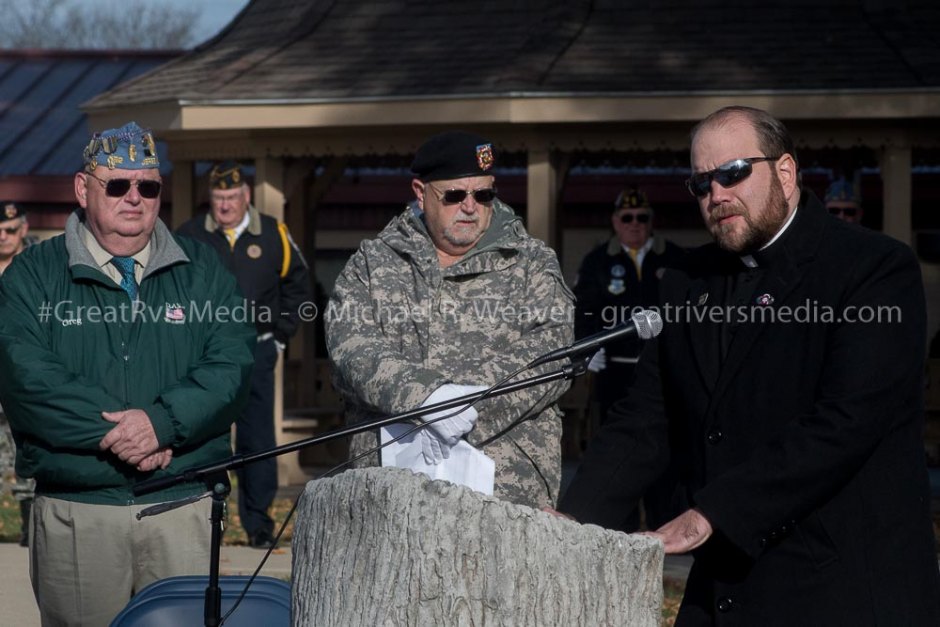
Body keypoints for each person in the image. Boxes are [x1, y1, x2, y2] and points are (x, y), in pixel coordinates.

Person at [557, 106, 940, 625]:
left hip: (839, 585)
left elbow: (846, 422)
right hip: (722, 589)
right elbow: (646, 420)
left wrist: (712, 513)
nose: (717, 195)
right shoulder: (687, 281)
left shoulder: (872, 269)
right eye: (701, 184)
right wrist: (571, 522)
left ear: (785, 172)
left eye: (733, 172)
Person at [0, 122, 255, 626]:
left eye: (149, 186)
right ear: (83, 188)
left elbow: (232, 363)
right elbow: (25, 376)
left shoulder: (202, 271)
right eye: (117, 184)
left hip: (180, 509)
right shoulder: (32, 276)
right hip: (79, 513)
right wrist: (125, 433)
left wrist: (163, 423)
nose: (134, 197)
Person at [326, 131, 574, 509]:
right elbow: (351, 348)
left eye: (484, 194)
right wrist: (425, 397)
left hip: (505, 485)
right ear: (420, 192)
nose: (471, 207)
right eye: (455, 195)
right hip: (391, 484)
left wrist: (467, 405)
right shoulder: (373, 264)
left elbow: (553, 352)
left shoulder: (531, 263)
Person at [177, 161, 310, 549]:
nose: (225, 206)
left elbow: (299, 288)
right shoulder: (189, 236)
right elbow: (171, 294)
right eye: (218, 198)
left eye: (232, 197)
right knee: (208, 437)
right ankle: (205, 521)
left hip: (257, 351)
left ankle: (259, 524)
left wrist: (280, 337)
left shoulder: (273, 233)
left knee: (258, 440)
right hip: (206, 354)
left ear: (246, 196)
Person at [571, 187, 685, 531]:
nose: (635, 224)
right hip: (614, 377)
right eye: (627, 218)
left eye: (642, 218)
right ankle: (619, 533)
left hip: (664, 376)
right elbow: (583, 311)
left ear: (652, 221)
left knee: (665, 458)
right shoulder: (598, 262)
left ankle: (665, 535)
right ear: (614, 221)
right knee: (615, 452)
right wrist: (587, 349)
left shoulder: (674, 258)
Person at [0, 201, 35, 547]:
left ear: (23, 229)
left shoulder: (39, 265)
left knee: (26, 449)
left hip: (23, 376)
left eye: (10, 230)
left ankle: (29, 525)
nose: (3, 237)